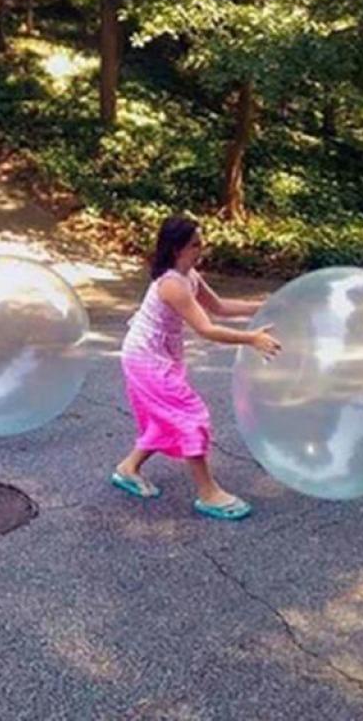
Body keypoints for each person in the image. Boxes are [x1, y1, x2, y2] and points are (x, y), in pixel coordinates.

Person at [112, 216, 281, 520]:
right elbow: (206, 328)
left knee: (167, 416)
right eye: (195, 245)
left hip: (163, 355)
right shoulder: (170, 285)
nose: (201, 249)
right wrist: (251, 339)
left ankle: (128, 468)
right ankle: (208, 493)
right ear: (177, 249)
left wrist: (267, 305)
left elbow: (219, 307)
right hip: (145, 358)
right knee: (191, 416)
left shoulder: (189, 275)